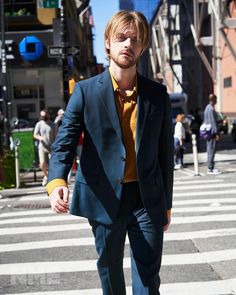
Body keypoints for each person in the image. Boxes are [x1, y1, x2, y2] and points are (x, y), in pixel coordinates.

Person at [46, 10, 173, 294]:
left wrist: (166, 205)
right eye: (121, 38)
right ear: (108, 43)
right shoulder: (85, 92)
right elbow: (64, 143)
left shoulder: (157, 95)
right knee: (110, 273)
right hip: (103, 199)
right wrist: (56, 182)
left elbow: (165, 155)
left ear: (143, 47)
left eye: (135, 39)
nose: (128, 44)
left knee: (148, 280)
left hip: (146, 200)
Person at [33, 110, 56, 186]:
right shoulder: (39, 124)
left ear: (48, 115)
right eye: (41, 116)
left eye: (44, 116)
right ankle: (45, 175)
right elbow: (35, 135)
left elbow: (57, 136)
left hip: (51, 147)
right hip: (42, 146)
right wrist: (40, 138)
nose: (43, 117)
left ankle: (50, 178)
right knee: (42, 163)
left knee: (52, 164)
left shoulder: (53, 124)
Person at [203, 93, 221, 175]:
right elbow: (212, 122)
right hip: (212, 133)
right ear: (213, 99)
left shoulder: (207, 108)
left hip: (208, 132)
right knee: (211, 150)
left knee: (209, 150)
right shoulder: (211, 109)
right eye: (216, 99)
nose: (216, 101)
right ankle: (210, 168)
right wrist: (217, 133)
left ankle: (210, 167)